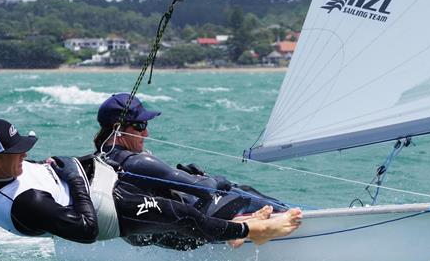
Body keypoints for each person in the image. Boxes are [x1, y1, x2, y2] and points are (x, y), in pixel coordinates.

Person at [0, 118, 301, 250]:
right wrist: (73, 176)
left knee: (164, 222)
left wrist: (54, 169)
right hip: (101, 212)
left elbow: (28, 172)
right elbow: (86, 231)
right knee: (176, 214)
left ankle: (227, 230)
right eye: (16, 152)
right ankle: (252, 232)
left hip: (93, 188)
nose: (24, 155)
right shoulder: (27, 202)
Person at [93, 92, 289, 221]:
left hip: (151, 230)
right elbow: (205, 189)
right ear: (118, 129)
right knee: (238, 191)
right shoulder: (137, 161)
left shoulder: (101, 159)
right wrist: (215, 180)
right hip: (190, 225)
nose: (146, 134)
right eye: (140, 126)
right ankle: (289, 215)